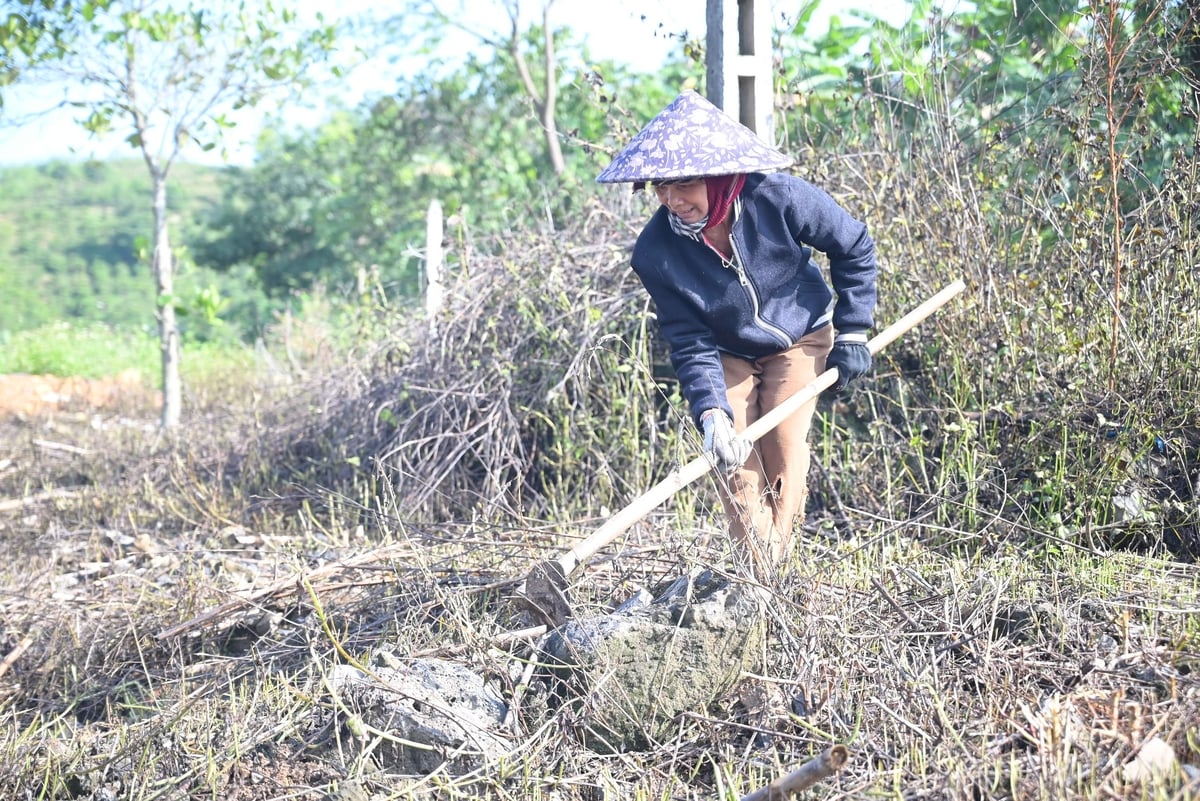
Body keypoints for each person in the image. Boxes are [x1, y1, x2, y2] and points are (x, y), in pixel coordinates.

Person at [596, 90, 878, 575]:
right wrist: (711, 412)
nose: (672, 199)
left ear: (720, 174)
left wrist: (853, 331)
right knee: (734, 464)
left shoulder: (777, 197)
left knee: (785, 455)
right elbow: (688, 338)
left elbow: (853, 245)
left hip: (801, 337)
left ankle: (775, 577)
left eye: (684, 183)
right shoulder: (655, 252)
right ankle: (762, 585)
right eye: (660, 187)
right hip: (725, 351)